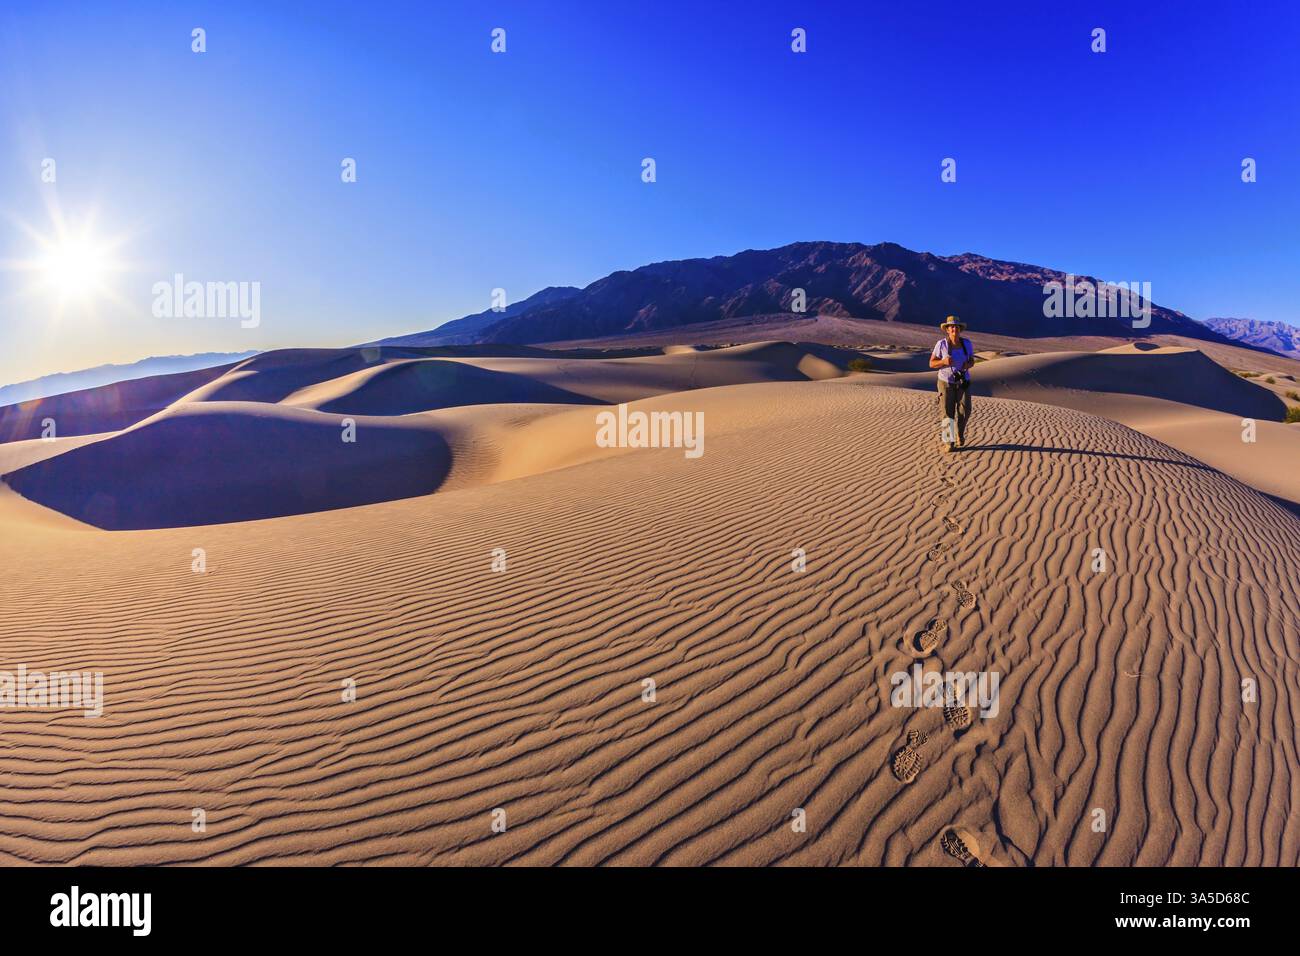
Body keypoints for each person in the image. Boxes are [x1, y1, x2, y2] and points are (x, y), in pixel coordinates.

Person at [929, 315, 974, 453]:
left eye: (956, 326)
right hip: (945, 383)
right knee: (947, 413)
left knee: (965, 410)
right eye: (951, 326)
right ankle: (949, 442)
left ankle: (959, 434)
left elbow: (972, 360)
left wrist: (969, 364)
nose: (954, 329)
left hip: (963, 381)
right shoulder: (941, 344)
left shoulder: (967, 344)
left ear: (960, 329)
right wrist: (943, 362)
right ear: (947, 330)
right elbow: (931, 363)